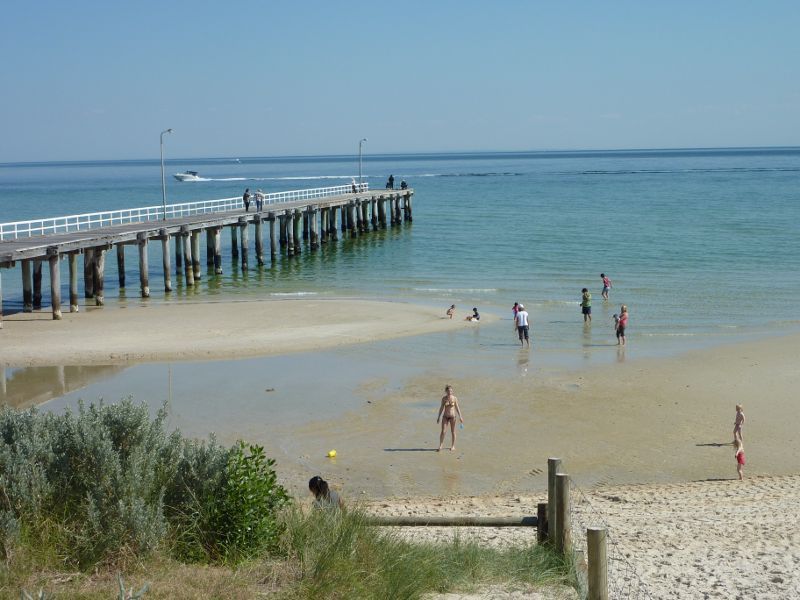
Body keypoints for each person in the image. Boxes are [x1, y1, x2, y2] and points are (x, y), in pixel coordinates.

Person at [436, 384, 463, 451]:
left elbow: (457, 407)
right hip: (445, 416)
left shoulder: (455, 398)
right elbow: (441, 408)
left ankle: (453, 446)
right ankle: (440, 445)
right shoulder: (444, 399)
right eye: (448, 391)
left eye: (451, 391)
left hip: (453, 417)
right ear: (446, 391)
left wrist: (460, 416)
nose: (449, 392)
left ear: (452, 391)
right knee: (443, 431)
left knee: (453, 431)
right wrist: (438, 417)